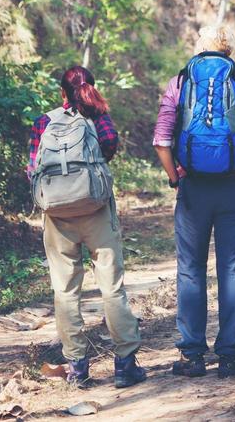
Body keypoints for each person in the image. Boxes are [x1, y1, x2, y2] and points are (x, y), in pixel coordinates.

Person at [153, 24, 235, 380]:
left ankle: (192, 355)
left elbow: (161, 140)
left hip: (192, 191)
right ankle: (229, 354)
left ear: (199, 48)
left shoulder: (180, 82)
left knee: (191, 270)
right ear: (229, 51)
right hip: (233, 188)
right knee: (233, 269)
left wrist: (176, 179)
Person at [28, 66, 146, 389]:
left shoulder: (44, 122)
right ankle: (124, 365)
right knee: (111, 287)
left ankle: (77, 369)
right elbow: (109, 149)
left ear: (62, 94)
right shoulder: (99, 117)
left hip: (57, 219)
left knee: (65, 292)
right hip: (96, 212)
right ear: (91, 89)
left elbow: (31, 169)